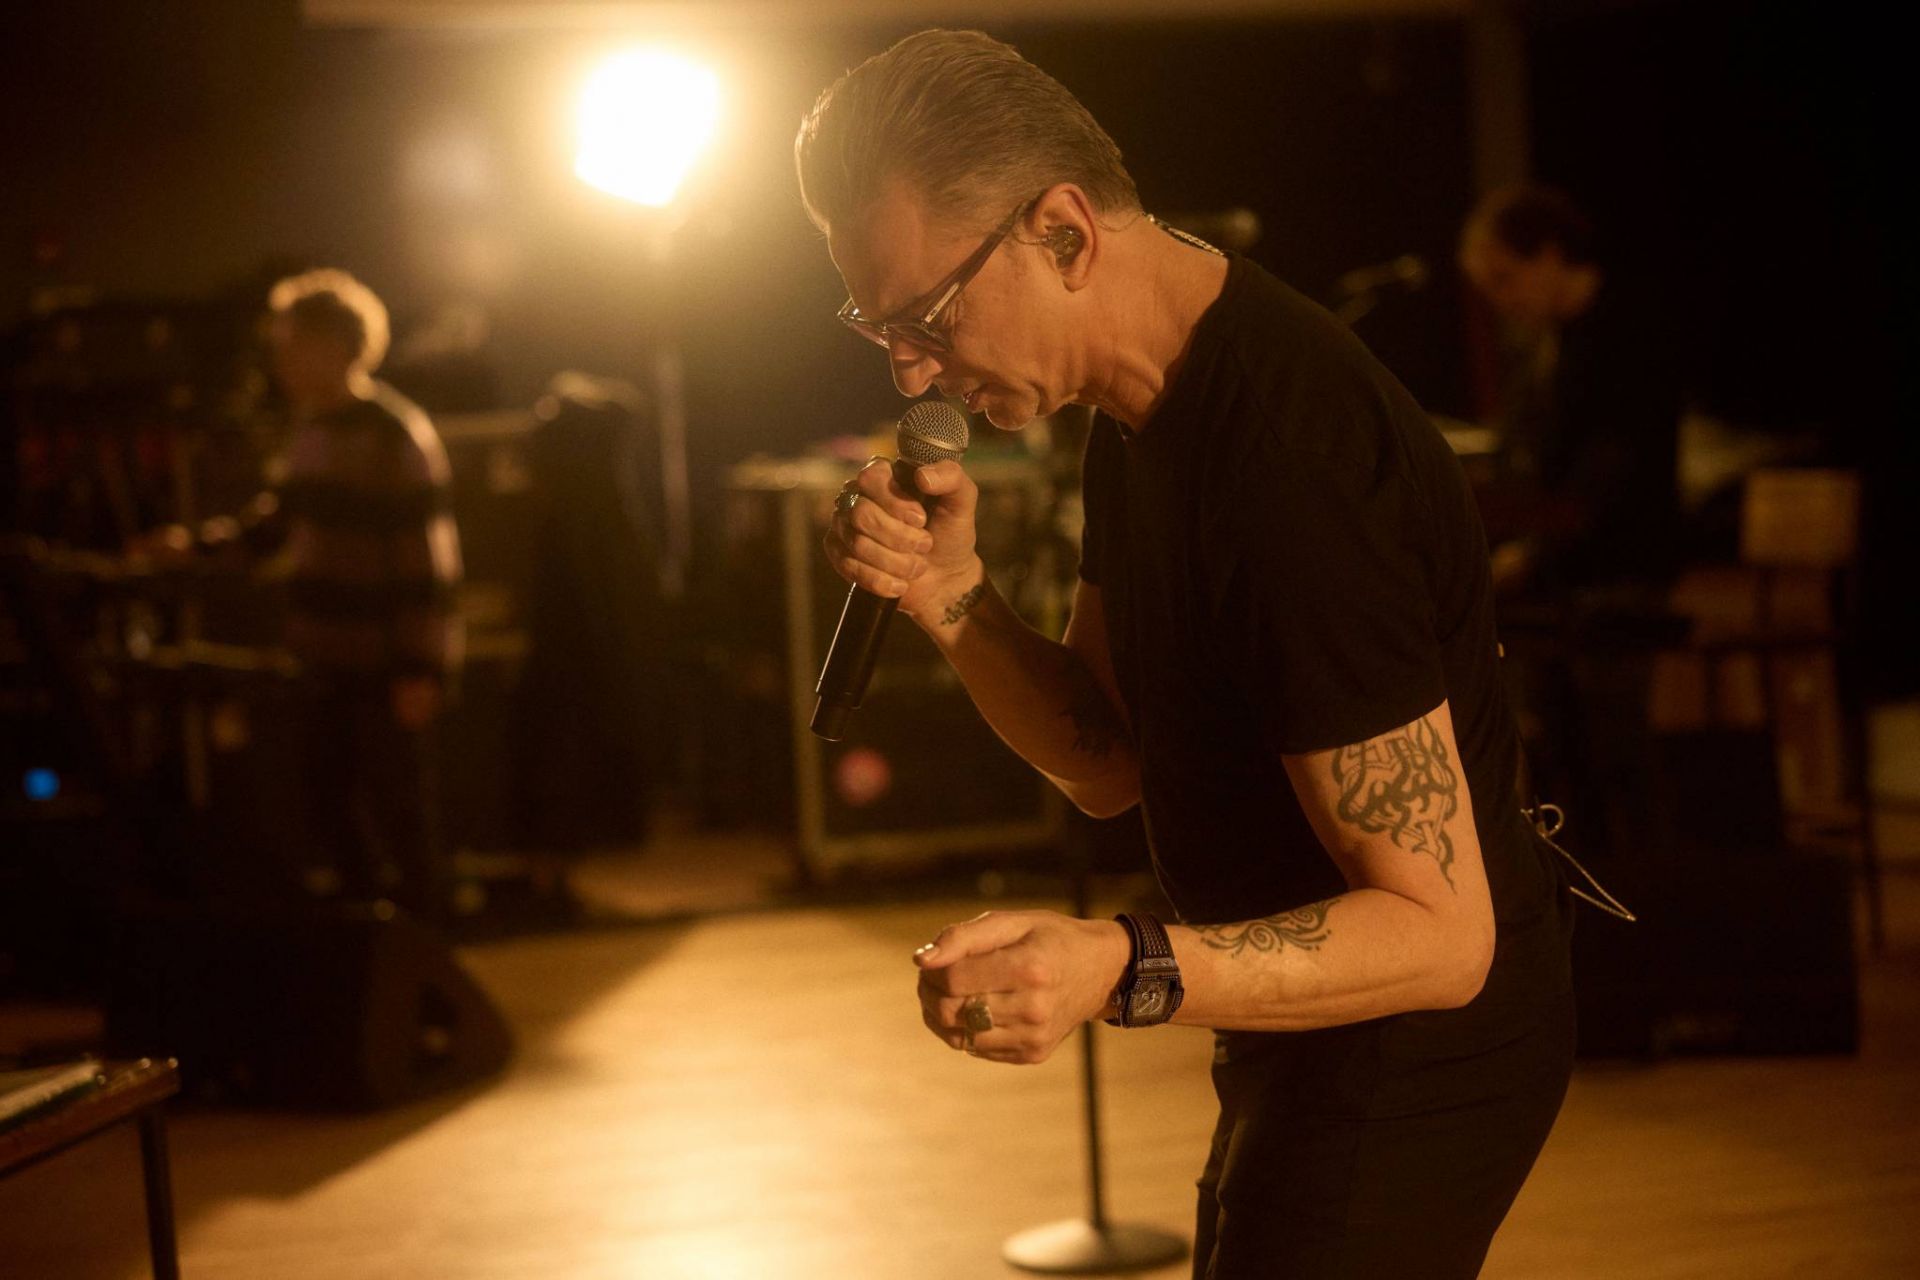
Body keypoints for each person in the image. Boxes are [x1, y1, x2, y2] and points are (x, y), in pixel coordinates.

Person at [798, 30, 1575, 1278]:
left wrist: (1118, 961)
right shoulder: (1135, 414)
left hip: (1415, 1051)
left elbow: (1442, 934)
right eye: (876, 325)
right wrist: (952, 596)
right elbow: (1111, 757)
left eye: (927, 314)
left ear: (1063, 231)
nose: (907, 365)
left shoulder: (1290, 459)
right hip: (1302, 1025)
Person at [138, 269, 464, 918]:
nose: (279, 359)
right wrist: (195, 546)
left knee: (400, 812)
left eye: (290, 344)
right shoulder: (312, 433)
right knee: (329, 805)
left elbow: (426, 568)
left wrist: (418, 668)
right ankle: (367, 947)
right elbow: (275, 526)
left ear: (332, 346)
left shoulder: (394, 436)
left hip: (381, 665)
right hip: (323, 659)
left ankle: (430, 956)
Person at [1457, 183, 1687, 597]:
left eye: (1504, 279)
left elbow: (1610, 477)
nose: (1499, 301)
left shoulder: (1631, 333)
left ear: (1548, 255)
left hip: (1619, 574)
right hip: (1562, 565)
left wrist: (1531, 554)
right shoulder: (1545, 343)